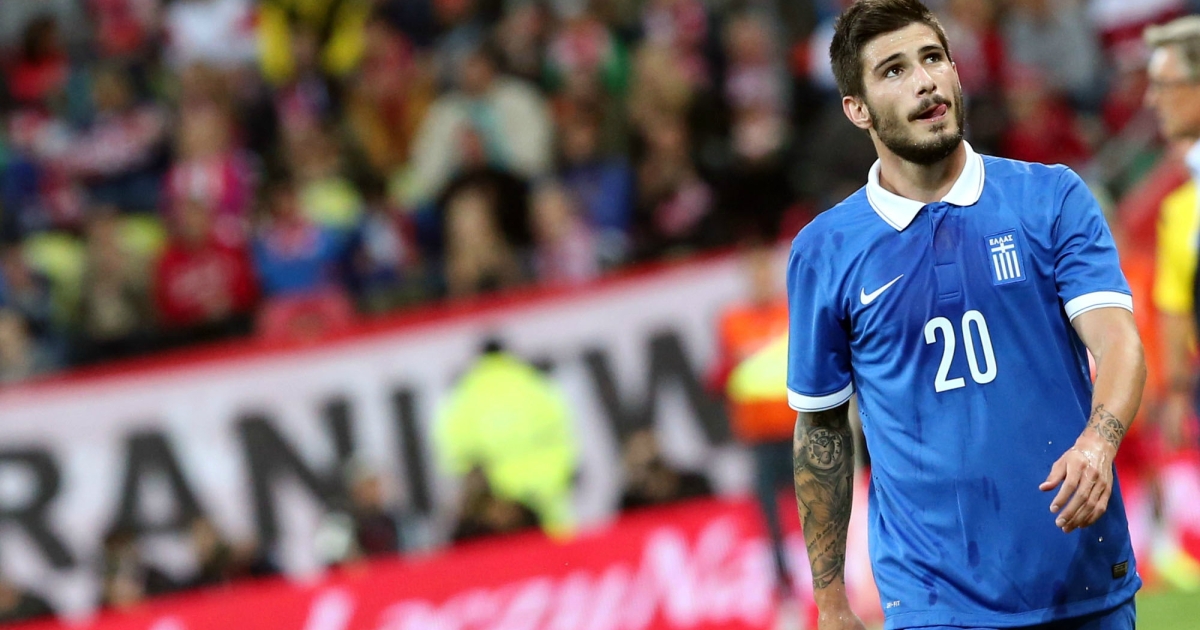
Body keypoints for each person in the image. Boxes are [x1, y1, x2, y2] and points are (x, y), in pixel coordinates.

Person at [786, 2, 1146, 629]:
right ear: (857, 109)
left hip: (1082, 577)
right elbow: (822, 429)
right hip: (933, 601)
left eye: (933, 58)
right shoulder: (827, 250)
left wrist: (1098, 442)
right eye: (894, 70)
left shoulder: (1050, 197)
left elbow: (1119, 343)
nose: (924, 80)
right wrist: (831, 600)